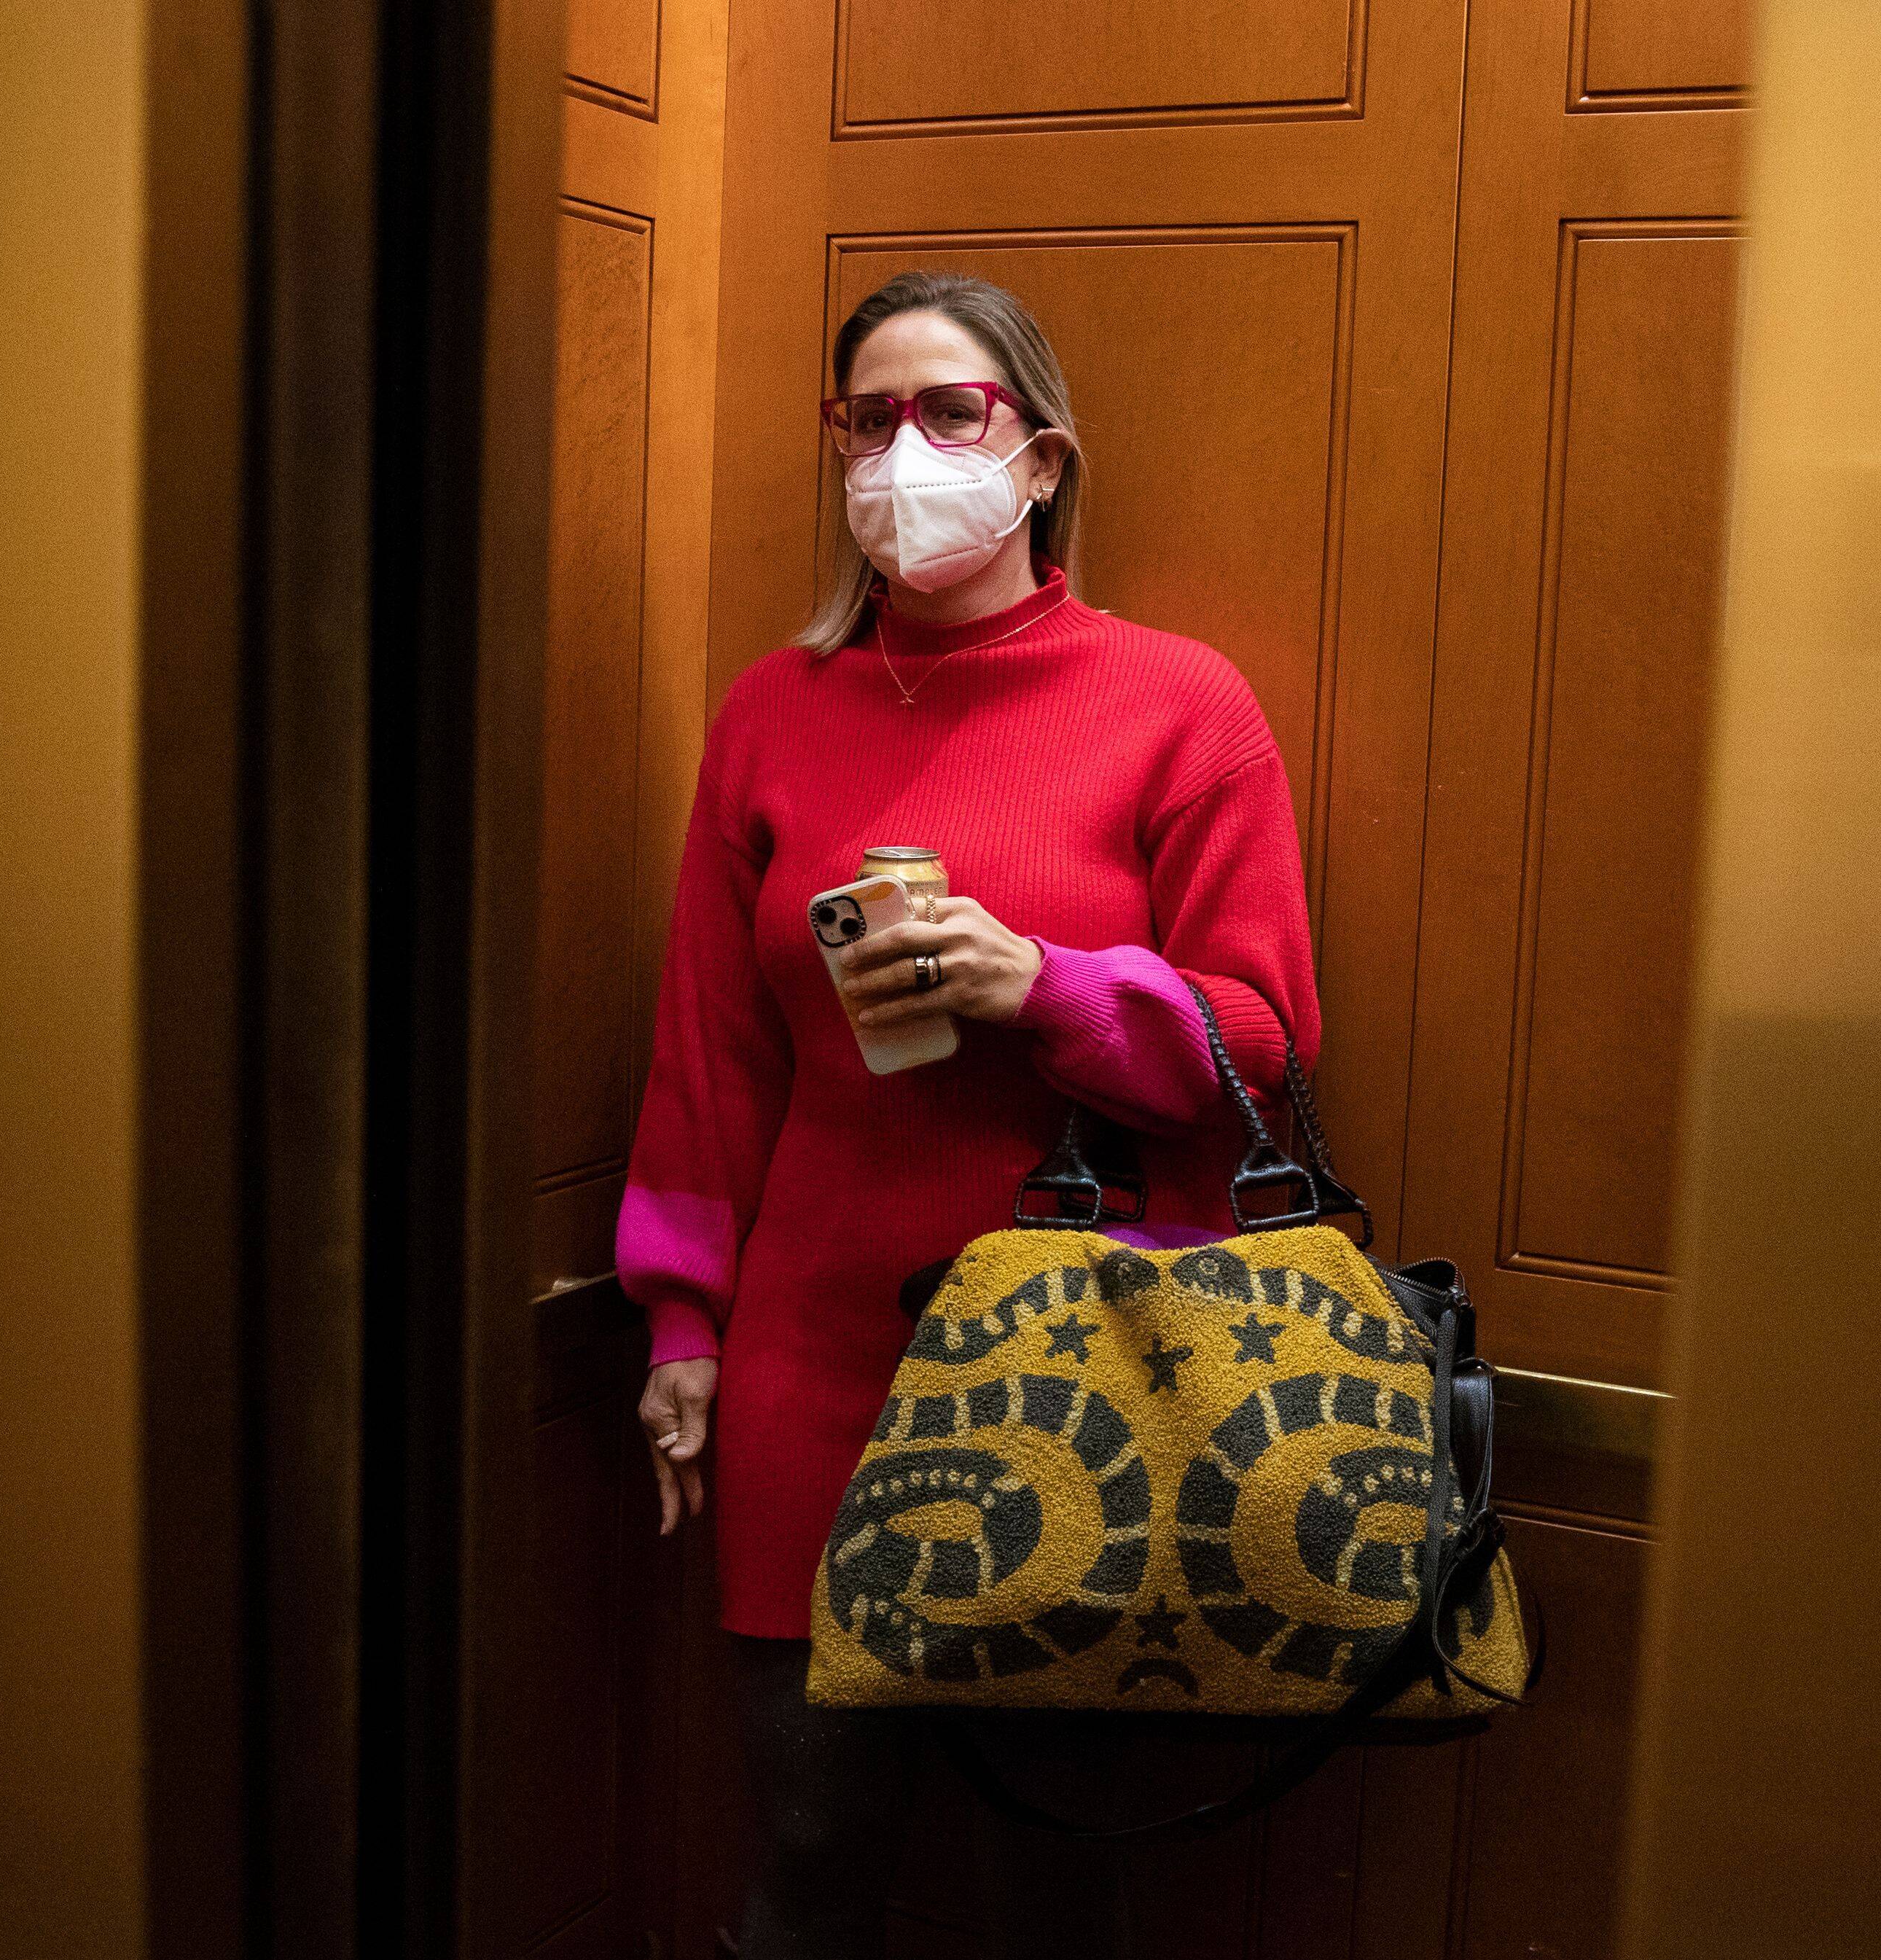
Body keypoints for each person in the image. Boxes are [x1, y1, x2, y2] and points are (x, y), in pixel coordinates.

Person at [615, 269, 1323, 1958]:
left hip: (1085, 1366)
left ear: (1042, 457)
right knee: (809, 1846)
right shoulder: (773, 712)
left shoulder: (1179, 702)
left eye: (949, 412)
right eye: (867, 419)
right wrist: (678, 1318)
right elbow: (711, 1052)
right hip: (811, 1357)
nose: (902, 451)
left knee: (1054, 1879)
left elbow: (1263, 1043)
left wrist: (1043, 985)